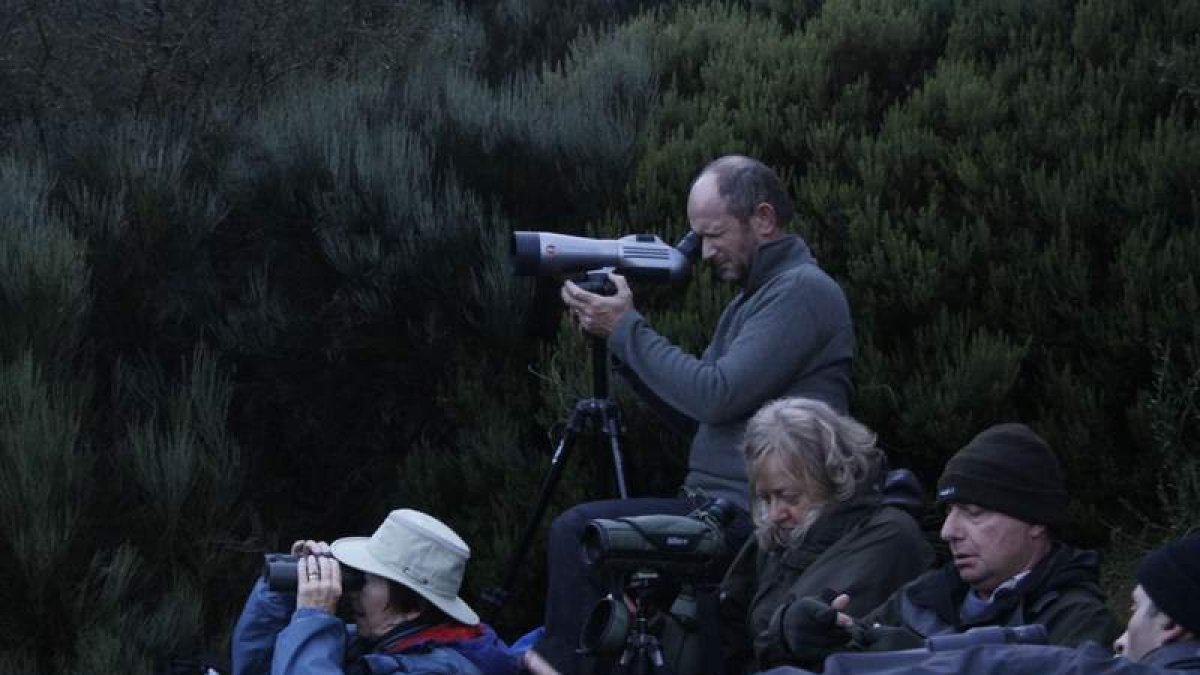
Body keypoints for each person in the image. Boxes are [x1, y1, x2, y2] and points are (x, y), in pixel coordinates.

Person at [537, 155, 855, 673]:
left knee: (580, 533)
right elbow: (698, 415)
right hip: (716, 506)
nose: (704, 252)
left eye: (714, 234)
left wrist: (627, 329)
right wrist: (615, 344)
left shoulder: (802, 292)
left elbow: (714, 394)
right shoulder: (751, 301)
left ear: (764, 219)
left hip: (751, 516)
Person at [767, 423, 1120, 668]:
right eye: (950, 512)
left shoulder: (1079, 623)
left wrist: (921, 659)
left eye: (974, 512)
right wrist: (795, 635)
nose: (950, 531)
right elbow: (843, 653)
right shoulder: (922, 598)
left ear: (1036, 522)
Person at [759, 534, 1200, 674]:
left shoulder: (1079, 618)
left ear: (1172, 626)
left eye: (1139, 609)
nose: (1120, 640)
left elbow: (995, 664)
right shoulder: (929, 590)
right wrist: (848, 641)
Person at [718, 398, 934, 672]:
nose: (774, 513)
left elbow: (808, 641)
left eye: (789, 497)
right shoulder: (785, 531)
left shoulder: (886, 536)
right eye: (765, 498)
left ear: (834, 477)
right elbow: (729, 619)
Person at [231, 509, 519, 675]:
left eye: (365, 579)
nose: (352, 591)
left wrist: (313, 619)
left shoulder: (438, 668)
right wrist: (281, 594)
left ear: (414, 605)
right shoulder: (379, 641)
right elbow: (257, 669)